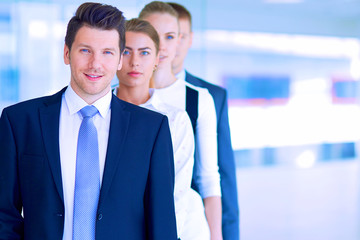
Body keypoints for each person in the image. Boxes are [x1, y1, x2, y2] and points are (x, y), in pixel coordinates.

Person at [0, 2, 178, 240]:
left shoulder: (151, 129)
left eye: (107, 52)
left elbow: (163, 223)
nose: (95, 64)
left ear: (119, 60)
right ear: (67, 53)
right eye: (85, 50)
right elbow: (4, 215)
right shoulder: (20, 121)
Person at [115, 18, 210, 239]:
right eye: (126, 52)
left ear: (157, 59)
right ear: (116, 57)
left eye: (145, 52)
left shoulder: (174, 119)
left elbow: (175, 193)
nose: (135, 62)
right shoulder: (97, 112)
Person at [139, 2, 223, 239]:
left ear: (180, 40)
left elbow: (209, 178)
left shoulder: (197, 99)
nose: (162, 45)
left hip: (188, 227)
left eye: (170, 36)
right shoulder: (116, 97)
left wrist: (216, 235)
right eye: (153, 34)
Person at [167, 3, 240, 240]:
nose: (173, 45)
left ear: (189, 39)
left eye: (180, 36)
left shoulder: (210, 96)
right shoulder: (130, 94)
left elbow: (221, 175)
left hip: (193, 225)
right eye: (166, 36)